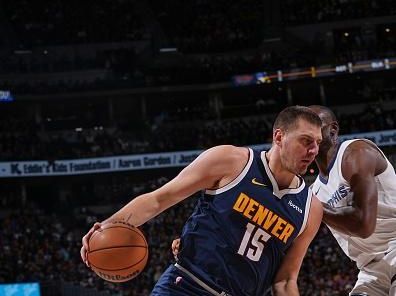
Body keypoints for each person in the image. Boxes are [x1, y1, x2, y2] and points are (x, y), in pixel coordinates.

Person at [81, 106, 323, 296]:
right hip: (185, 286)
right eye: (306, 141)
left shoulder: (310, 209)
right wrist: (108, 226)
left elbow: (285, 281)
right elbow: (158, 199)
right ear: (279, 137)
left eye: (318, 143)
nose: (313, 150)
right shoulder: (231, 161)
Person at [309, 105, 396, 296]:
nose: (307, 131)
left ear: (333, 129)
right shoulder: (314, 191)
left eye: (314, 124)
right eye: (302, 128)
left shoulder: (357, 152)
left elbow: (363, 225)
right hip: (370, 270)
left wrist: (310, 205)